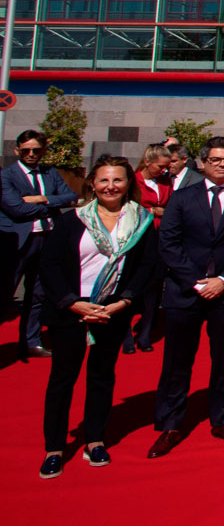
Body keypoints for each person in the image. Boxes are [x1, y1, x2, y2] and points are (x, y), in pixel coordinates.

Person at [37, 156, 157, 479]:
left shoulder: (141, 220)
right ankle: (55, 448)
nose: (110, 187)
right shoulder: (71, 220)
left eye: (117, 180)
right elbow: (49, 266)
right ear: (92, 183)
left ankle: (94, 439)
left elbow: (147, 266)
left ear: (128, 184)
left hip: (112, 311)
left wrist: (125, 301)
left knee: (102, 376)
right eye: (104, 180)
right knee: (63, 379)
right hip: (71, 311)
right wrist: (72, 302)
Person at [148, 136, 224, 458]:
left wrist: (223, 280)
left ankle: (223, 419)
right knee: (176, 362)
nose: (222, 164)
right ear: (202, 163)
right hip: (185, 292)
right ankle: (170, 424)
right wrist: (196, 282)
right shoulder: (182, 198)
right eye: (216, 159)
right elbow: (168, 244)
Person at [2, 129, 78, 360]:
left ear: (43, 151)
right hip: (16, 243)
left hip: (47, 240)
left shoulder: (50, 173)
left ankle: (31, 342)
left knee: (38, 295)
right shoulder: (7, 176)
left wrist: (42, 198)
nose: (31, 154)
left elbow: (70, 196)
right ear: (17, 150)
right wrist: (52, 204)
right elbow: (15, 208)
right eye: (26, 150)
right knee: (5, 293)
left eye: (36, 150)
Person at [122, 145, 172, 355]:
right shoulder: (133, 180)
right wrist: (152, 210)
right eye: (160, 166)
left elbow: (172, 205)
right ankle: (125, 337)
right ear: (148, 162)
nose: (164, 170)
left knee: (154, 288)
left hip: (159, 239)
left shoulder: (166, 182)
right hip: (137, 238)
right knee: (129, 287)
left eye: (167, 167)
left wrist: (163, 213)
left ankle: (145, 334)